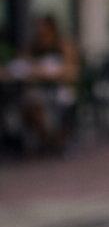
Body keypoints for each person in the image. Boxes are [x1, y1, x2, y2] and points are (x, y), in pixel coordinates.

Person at [17, 15, 80, 154]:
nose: (39, 30)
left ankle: (53, 141)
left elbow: (72, 71)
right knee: (30, 106)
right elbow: (21, 64)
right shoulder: (34, 45)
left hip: (58, 89)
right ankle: (49, 141)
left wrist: (52, 72)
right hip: (38, 89)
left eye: (42, 26)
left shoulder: (62, 44)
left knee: (57, 104)